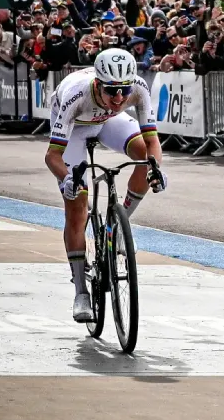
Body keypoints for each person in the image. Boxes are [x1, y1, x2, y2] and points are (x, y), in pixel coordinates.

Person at [45, 49, 166, 322]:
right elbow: (52, 156)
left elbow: (152, 143)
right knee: (76, 205)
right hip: (75, 127)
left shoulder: (138, 88)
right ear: (98, 83)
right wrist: (67, 178)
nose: (120, 98)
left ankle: (117, 227)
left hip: (108, 122)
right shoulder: (77, 94)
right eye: (112, 90)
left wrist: (154, 169)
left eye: (124, 90)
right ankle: (80, 292)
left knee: (146, 161)